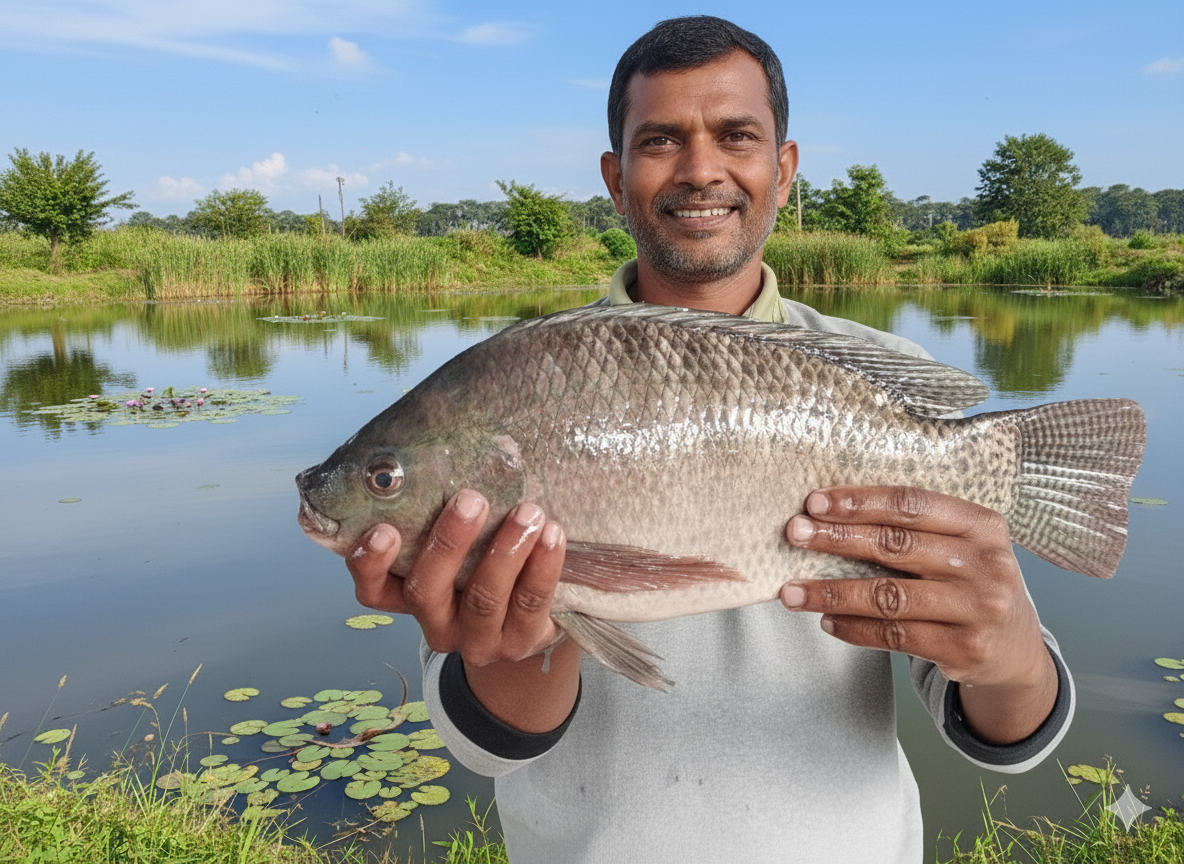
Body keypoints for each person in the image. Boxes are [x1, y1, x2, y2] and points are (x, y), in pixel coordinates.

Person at [347, 16, 1072, 863]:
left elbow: (1008, 732)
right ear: (616, 179)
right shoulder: (511, 386)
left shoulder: (886, 379)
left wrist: (1010, 656)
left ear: (784, 169)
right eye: (660, 140)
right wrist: (522, 639)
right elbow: (489, 745)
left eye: (736, 136)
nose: (700, 169)